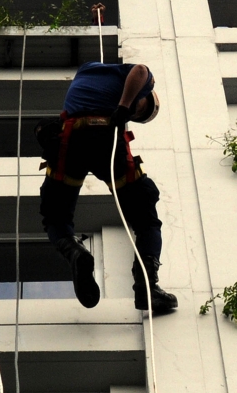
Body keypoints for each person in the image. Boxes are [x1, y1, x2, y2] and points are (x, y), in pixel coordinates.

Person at [36, 61, 178, 313]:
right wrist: (124, 107)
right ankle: (147, 288)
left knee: (55, 216)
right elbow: (142, 71)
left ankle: (74, 252)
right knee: (146, 220)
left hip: (68, 139)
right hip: (104, 136)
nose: (136, 115)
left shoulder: (86, 71)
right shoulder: (136, 81)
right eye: (140, 111)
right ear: (144, 97)